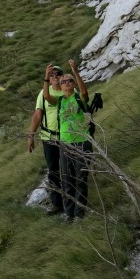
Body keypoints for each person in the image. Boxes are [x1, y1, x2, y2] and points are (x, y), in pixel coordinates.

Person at [41, 58, 91, 220]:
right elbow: (47, 96)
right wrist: (46, 78)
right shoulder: (60, 100)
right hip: (65, 144)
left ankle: (79, 213)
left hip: (81, 142)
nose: (67, 83)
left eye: (70, 81)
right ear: (60, 86)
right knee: (66, 179)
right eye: (64, 81)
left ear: (74, 84)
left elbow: (84, 93)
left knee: (80, 178)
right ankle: (69, 213)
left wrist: (75, 72)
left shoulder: (78, 98)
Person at [27, 63, 64, 215]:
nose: (55, 77)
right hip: (49, 138)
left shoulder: (68, 90)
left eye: (58, 74)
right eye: (52, 75)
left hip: (68, 137)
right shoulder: (43, 94)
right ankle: (57, 203)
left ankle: (73, 198)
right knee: (53, 170)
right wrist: (31, 136)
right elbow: (37, 114)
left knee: (69, 168)